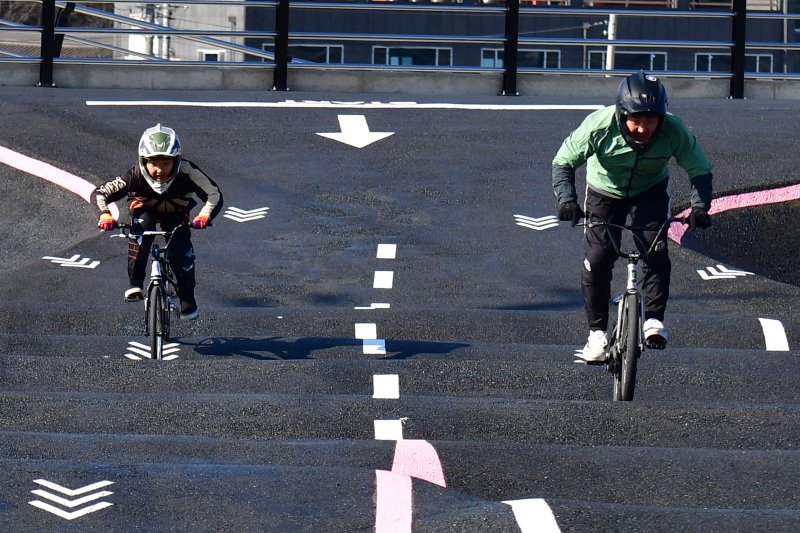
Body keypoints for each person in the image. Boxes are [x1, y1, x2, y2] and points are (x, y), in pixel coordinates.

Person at [552, 70, 713, 362]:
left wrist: (700, 207)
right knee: (599, 257)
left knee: (655, 250)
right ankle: (596, 334)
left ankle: (653, 319)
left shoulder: (674, 130)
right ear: (621, 114)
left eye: (651, 121)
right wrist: (568, 201)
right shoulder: (598, 126)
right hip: (604, 191)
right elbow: (563, 162)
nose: (643, 129)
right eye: (636, 121)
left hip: (649, 191)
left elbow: (699, 169)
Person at [92, 124, 223, 320]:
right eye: (154, 163)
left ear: (176, 161)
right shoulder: (134, 174)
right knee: (141, 230)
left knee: (181, 246)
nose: (160, 170)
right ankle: (135, 283)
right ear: (144, 161)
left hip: (177, 213)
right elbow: (100, 193)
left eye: (166, 163)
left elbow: (214, 193)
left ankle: (187, 298)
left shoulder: (188, 172)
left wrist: (204, 216)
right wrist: (104, 214)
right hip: (144, 210)